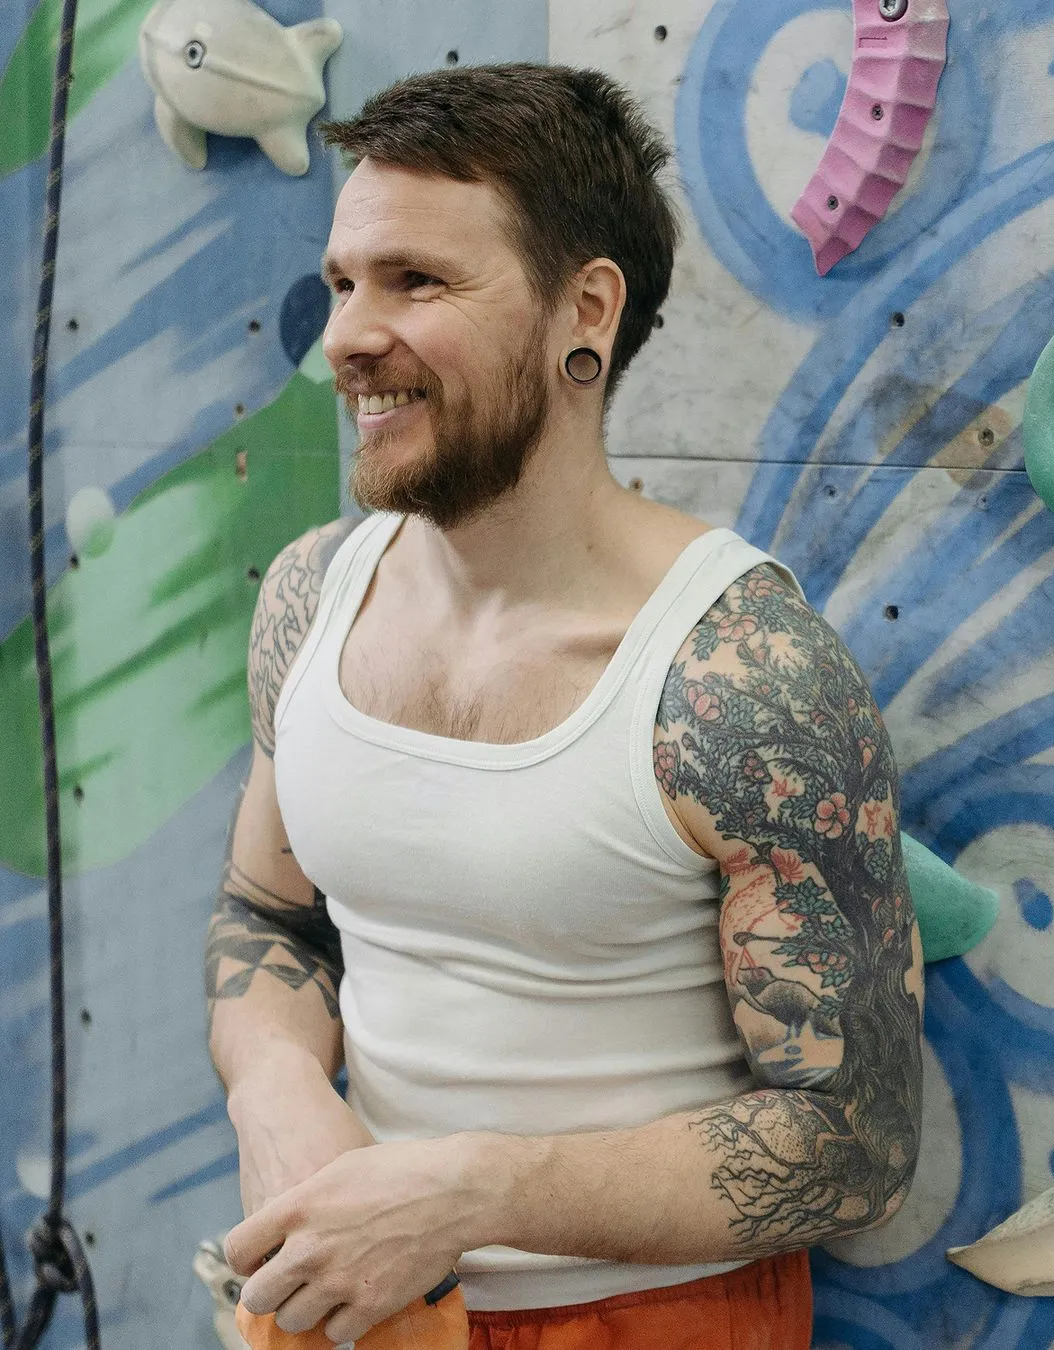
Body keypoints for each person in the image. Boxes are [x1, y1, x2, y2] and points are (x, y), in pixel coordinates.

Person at [205, 63, 923, 1350]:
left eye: (416, 282)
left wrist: (470, 1190)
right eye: (343, 284)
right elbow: (270, 915)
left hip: (653, 1323)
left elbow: (855, 1142)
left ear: (582, 311)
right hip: (350, 1311)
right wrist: (273, 1089)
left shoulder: (741, 680)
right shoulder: (312, 596)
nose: (347, 338)